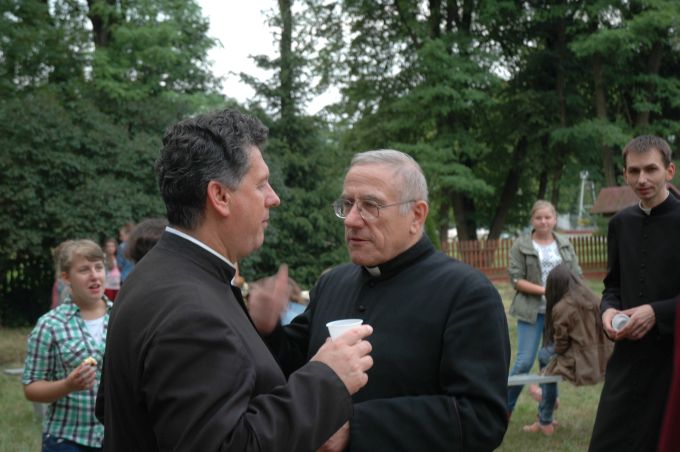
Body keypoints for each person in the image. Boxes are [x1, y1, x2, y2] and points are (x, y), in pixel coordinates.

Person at [96, 109, 374, 451]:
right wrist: (326, 380)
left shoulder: (156, 274)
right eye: (261, 184)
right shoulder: (193, 312)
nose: (274, 198)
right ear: (220, 196)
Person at [251, 149, 510, 451]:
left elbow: (481, 419)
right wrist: (268, 330)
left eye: (370, 206)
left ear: (416, 215)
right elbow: (297, 367)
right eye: (348, 204)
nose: (351, 220)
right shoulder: (333, 283)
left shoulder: (467, 294)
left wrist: (355, 429)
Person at [589, 135, 680, 452]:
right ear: (625, 174)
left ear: (669, 171)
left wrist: (656, 312)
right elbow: (612, 286)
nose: (642, 179)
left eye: (651, 169)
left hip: (673, 361)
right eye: (634, 171)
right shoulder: (620, 223)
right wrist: (608, 311)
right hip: (628, 359)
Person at [23, 239, 112, 451]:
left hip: (116, 437)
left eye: (98, 267)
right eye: (84, 270)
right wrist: (67, 385)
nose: (94, 275)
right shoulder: (50, 325)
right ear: (66, 278)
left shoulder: (124, 317)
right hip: (67, 439)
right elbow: (31, 388)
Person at [506, 200, 582, 418]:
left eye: (548, 217)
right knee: (524, 363)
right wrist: (546, 291)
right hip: (531, 312)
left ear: (555, 219)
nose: (543, 221)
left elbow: (576, 274)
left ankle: (546, 417)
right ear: (532, 220)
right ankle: (504, 409)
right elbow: (516, 279)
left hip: (558, 314)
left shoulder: (564, 244)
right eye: (539, 218)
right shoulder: (521, 245)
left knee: (549, 361)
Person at [522, 264, 612, 436]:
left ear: (555, 286)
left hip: (582, 361)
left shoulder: (562, 307)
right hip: (602, 356)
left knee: (544, 356)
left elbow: (561, 346)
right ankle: (547, 401)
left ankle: (545, 416)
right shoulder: (593, 298)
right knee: (546, 362)